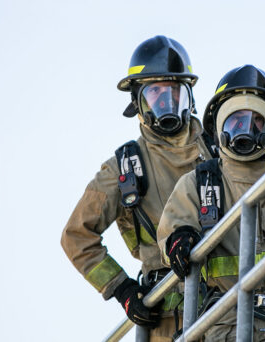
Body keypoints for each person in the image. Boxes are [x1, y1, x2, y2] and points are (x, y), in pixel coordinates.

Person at [60, 35, 215, 341]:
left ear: (190, 98)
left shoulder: (220, 148)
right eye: (154, 93)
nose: (166, 102)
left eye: (174, 91)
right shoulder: (124, 168)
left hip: (230, 305)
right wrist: (121, 288)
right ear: (137, 102)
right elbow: (76, 236)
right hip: (167, 319)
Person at [157, 65, 265, 341]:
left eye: (256, 121)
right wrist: (180, 239)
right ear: (219, 127)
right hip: (222, 327)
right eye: (236, 121)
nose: (245, 130)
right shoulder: (198, 184)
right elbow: (171, 234)